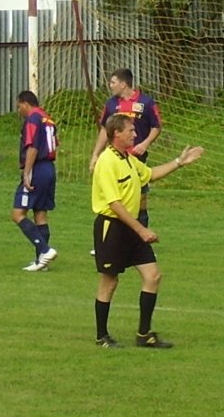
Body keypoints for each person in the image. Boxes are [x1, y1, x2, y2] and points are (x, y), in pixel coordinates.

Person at [92, 113, 204, 349]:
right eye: (131, 130)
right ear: (116, 134)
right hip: (112, 227)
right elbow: (115, 204)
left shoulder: (129, 159)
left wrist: (179, 162)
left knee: (153, 276)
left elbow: (150, 174)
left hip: (131, 227)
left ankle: (144, 335)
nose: (135, 134)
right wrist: (141, 230)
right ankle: (102, 335)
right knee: (109, 282)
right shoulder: (107, 162)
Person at [90, 68, 162, 228]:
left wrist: (145, 144)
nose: (110, 86)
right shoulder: (111, 104)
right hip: (116, 158)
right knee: (115, 198)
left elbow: (156, 126)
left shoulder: (146, 102)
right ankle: (112, 235)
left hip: (136, 157)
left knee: (140, 199)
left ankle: (141, 238)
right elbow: (104, 129)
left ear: (123, 84)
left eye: (113, 82)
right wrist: (96, 154)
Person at [11, 91, 59, 272]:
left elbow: (33, 147)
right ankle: (41, 261)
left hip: (37, 168)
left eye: (19, 106)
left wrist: (27, 172)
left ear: (25, 103)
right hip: (49, 169)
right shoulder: (48, 119)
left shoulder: (32, 119)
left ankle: (45, 250)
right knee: (40, 214)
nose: (19, 111)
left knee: (17, 214)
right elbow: (54, 144)